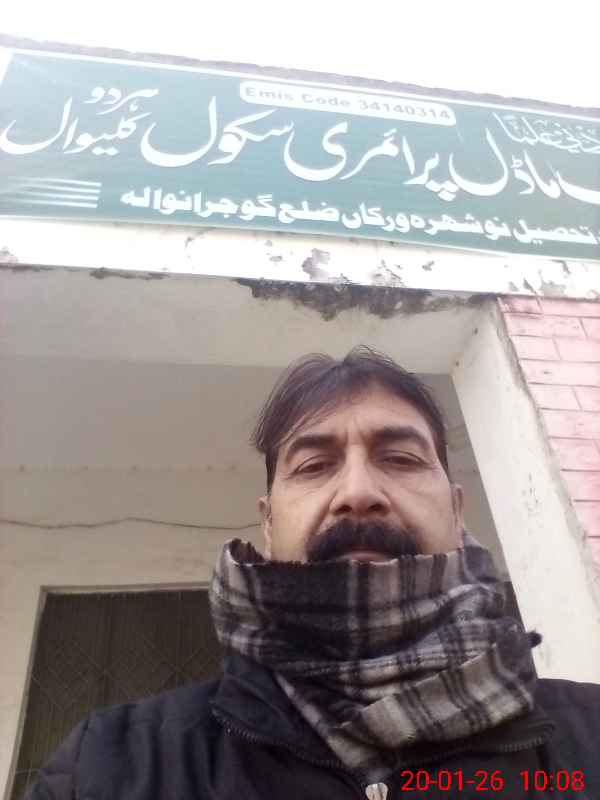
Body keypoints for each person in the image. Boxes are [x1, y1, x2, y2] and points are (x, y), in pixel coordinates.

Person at [23, 346, 600, 799]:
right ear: (269, 522)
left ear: (455, 510)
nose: (358, 492)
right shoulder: (107, 768)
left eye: (401, 459)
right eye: (314, 465)